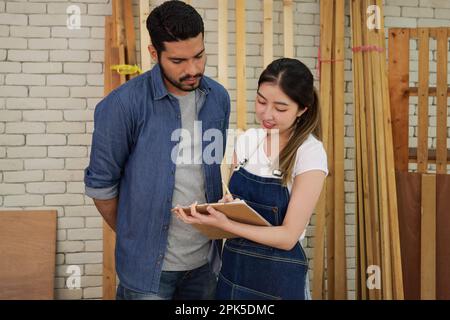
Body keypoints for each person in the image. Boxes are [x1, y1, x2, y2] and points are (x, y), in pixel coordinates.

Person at [84, 1, 230, 300]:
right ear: (154, 53)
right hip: (148, 272)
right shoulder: (123, 105)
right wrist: (137, 234)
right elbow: (101, 188)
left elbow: (209, 170)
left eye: (199, 56)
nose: (193, 69)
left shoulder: (218, 99)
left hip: (206, 264)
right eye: (178, 61)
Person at [175, 58, 327, 300]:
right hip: (235, 271)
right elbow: (242, 208)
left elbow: (288, 237)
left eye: (280, 108)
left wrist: (228, 225)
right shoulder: (247, 141)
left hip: (279, 278)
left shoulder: (310, 152)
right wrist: (221, 210)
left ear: (303, 109)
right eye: (261, 101)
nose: (267, 114)